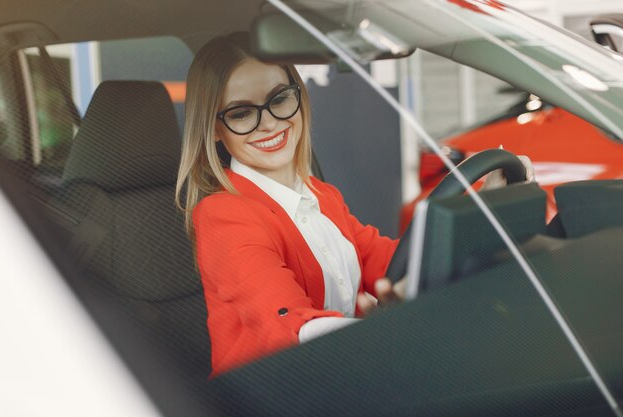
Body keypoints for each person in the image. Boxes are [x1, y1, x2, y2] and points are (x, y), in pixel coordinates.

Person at [176, 32, 533, 377]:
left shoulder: (321, 196)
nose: (269, 122)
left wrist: (481, 211)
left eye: (279, 98)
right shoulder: (223, 214)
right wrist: (375, 331)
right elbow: (284, 322)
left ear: (298, 95)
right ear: (215, 129)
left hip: (345, 375)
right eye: (240, 113)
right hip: (276, 395)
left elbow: (396, 262)